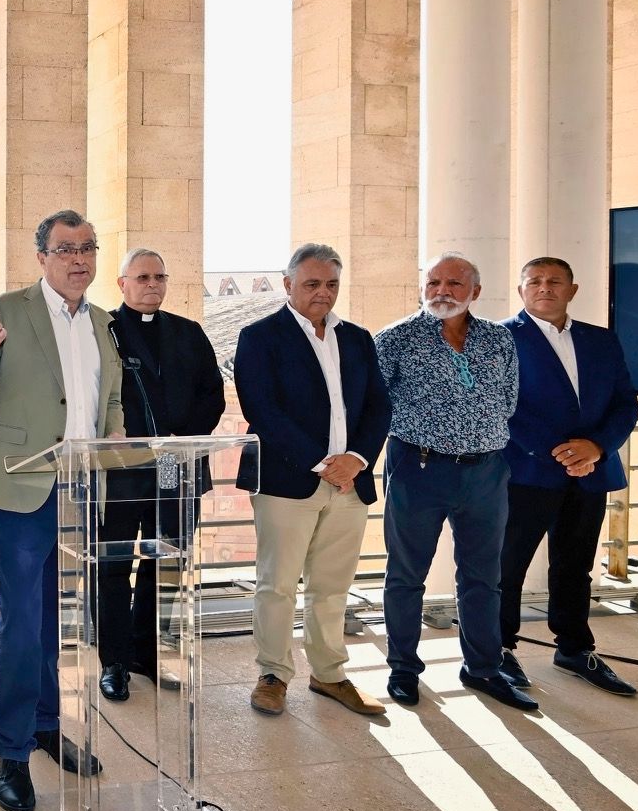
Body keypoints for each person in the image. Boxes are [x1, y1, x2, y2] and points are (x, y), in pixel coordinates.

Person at [0, 208, 119, 811]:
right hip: (22, 488)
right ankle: (13, 753)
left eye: (89, 247)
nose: (80, 258)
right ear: (41, 256)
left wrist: (117, 466)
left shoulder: (102, 322)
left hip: (79, 489)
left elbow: (111, 401)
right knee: (21, 623)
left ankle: (47, 725)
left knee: (53, 619)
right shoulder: (10, 310)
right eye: (66, 248)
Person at [233, 244, 391, 718]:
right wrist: (324, 462)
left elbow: (379, 405)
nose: (323, 293)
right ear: (287, 285)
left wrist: (358, 459)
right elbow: (262, 410)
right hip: (288, 481)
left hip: (350, 483)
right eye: (312, 284)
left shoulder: (360, 338)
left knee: (332, 585)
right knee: (276, 584)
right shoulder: (260, 337)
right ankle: (274, 674)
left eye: (331, 284)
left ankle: (329, 674)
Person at [376, 253, 533, 711]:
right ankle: (403, 668)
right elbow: (374, 406)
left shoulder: (499, 340)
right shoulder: (395, 339)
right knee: (406, 575)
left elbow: (508, 400)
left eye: (453, 283)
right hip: (418, 470)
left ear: (475, 292)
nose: (441, 291)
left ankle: (483, 668)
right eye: (433, 282)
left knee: (484, 576)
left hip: (486, 472)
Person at [498, 257, 638, 696]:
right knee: (508, 566)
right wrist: (561, 453)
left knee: (575, 567)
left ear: (572, 290)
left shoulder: (601, 340)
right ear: (522, 289)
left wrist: (596, 448)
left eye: (555, 281)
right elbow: (500, 405)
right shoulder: (500, 339)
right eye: (535, 281)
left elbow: (626, 405)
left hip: (591, 473)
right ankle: (497, 652)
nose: (545, 288)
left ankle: (575, 649)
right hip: (525, 472)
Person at [98, 248, 225, 702]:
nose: (152, 285)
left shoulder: (189, 333)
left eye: (159, 277)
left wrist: (179, 441)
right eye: (142, 277)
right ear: (122, 283)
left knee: (163, 562)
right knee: (114, 566)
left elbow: (214, 395)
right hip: (123, 468)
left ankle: (146, 654)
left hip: (176, 466)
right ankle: (112, 661)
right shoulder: (104, 331)